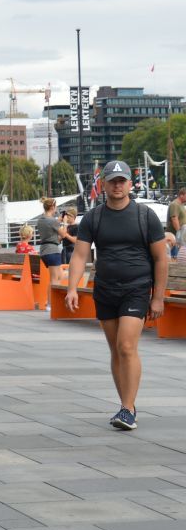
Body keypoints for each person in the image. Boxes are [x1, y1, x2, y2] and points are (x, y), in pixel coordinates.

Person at [65, 160, 168, 431]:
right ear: (104, 184)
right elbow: (80, 254)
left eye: (122, 180)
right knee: (115, 349)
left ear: (129, 184)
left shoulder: (145, 216)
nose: (118, 185)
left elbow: (161, 259)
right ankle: (125, 405)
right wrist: (72, 287)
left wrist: (157, 297)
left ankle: (128, 408)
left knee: (126, 346)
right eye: (113, 181)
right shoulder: (94, 217)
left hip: (136, 287)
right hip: (105, 289)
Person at [169, 187, 186, 260]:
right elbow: (174, 218)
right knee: (176, 258)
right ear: (181, 195)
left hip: (181, 235)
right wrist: (179, 235)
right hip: (175, 236)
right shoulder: (175, 204)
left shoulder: (181, 204)